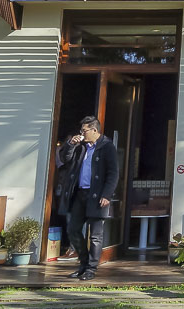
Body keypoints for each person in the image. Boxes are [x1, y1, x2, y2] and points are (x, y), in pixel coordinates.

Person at [55, 116, 119, 281]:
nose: (82, 133)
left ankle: (91, 268)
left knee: (95, 235)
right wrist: (70, 144)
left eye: (85, 130)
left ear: (94, 130)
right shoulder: (80, 147)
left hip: (97, 195)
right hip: (80, 193)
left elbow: (113, 173)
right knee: (73, 230)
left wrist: (107, 194)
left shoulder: (107, 146)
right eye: (81, 130)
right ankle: (83, 264)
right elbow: (64, 159)